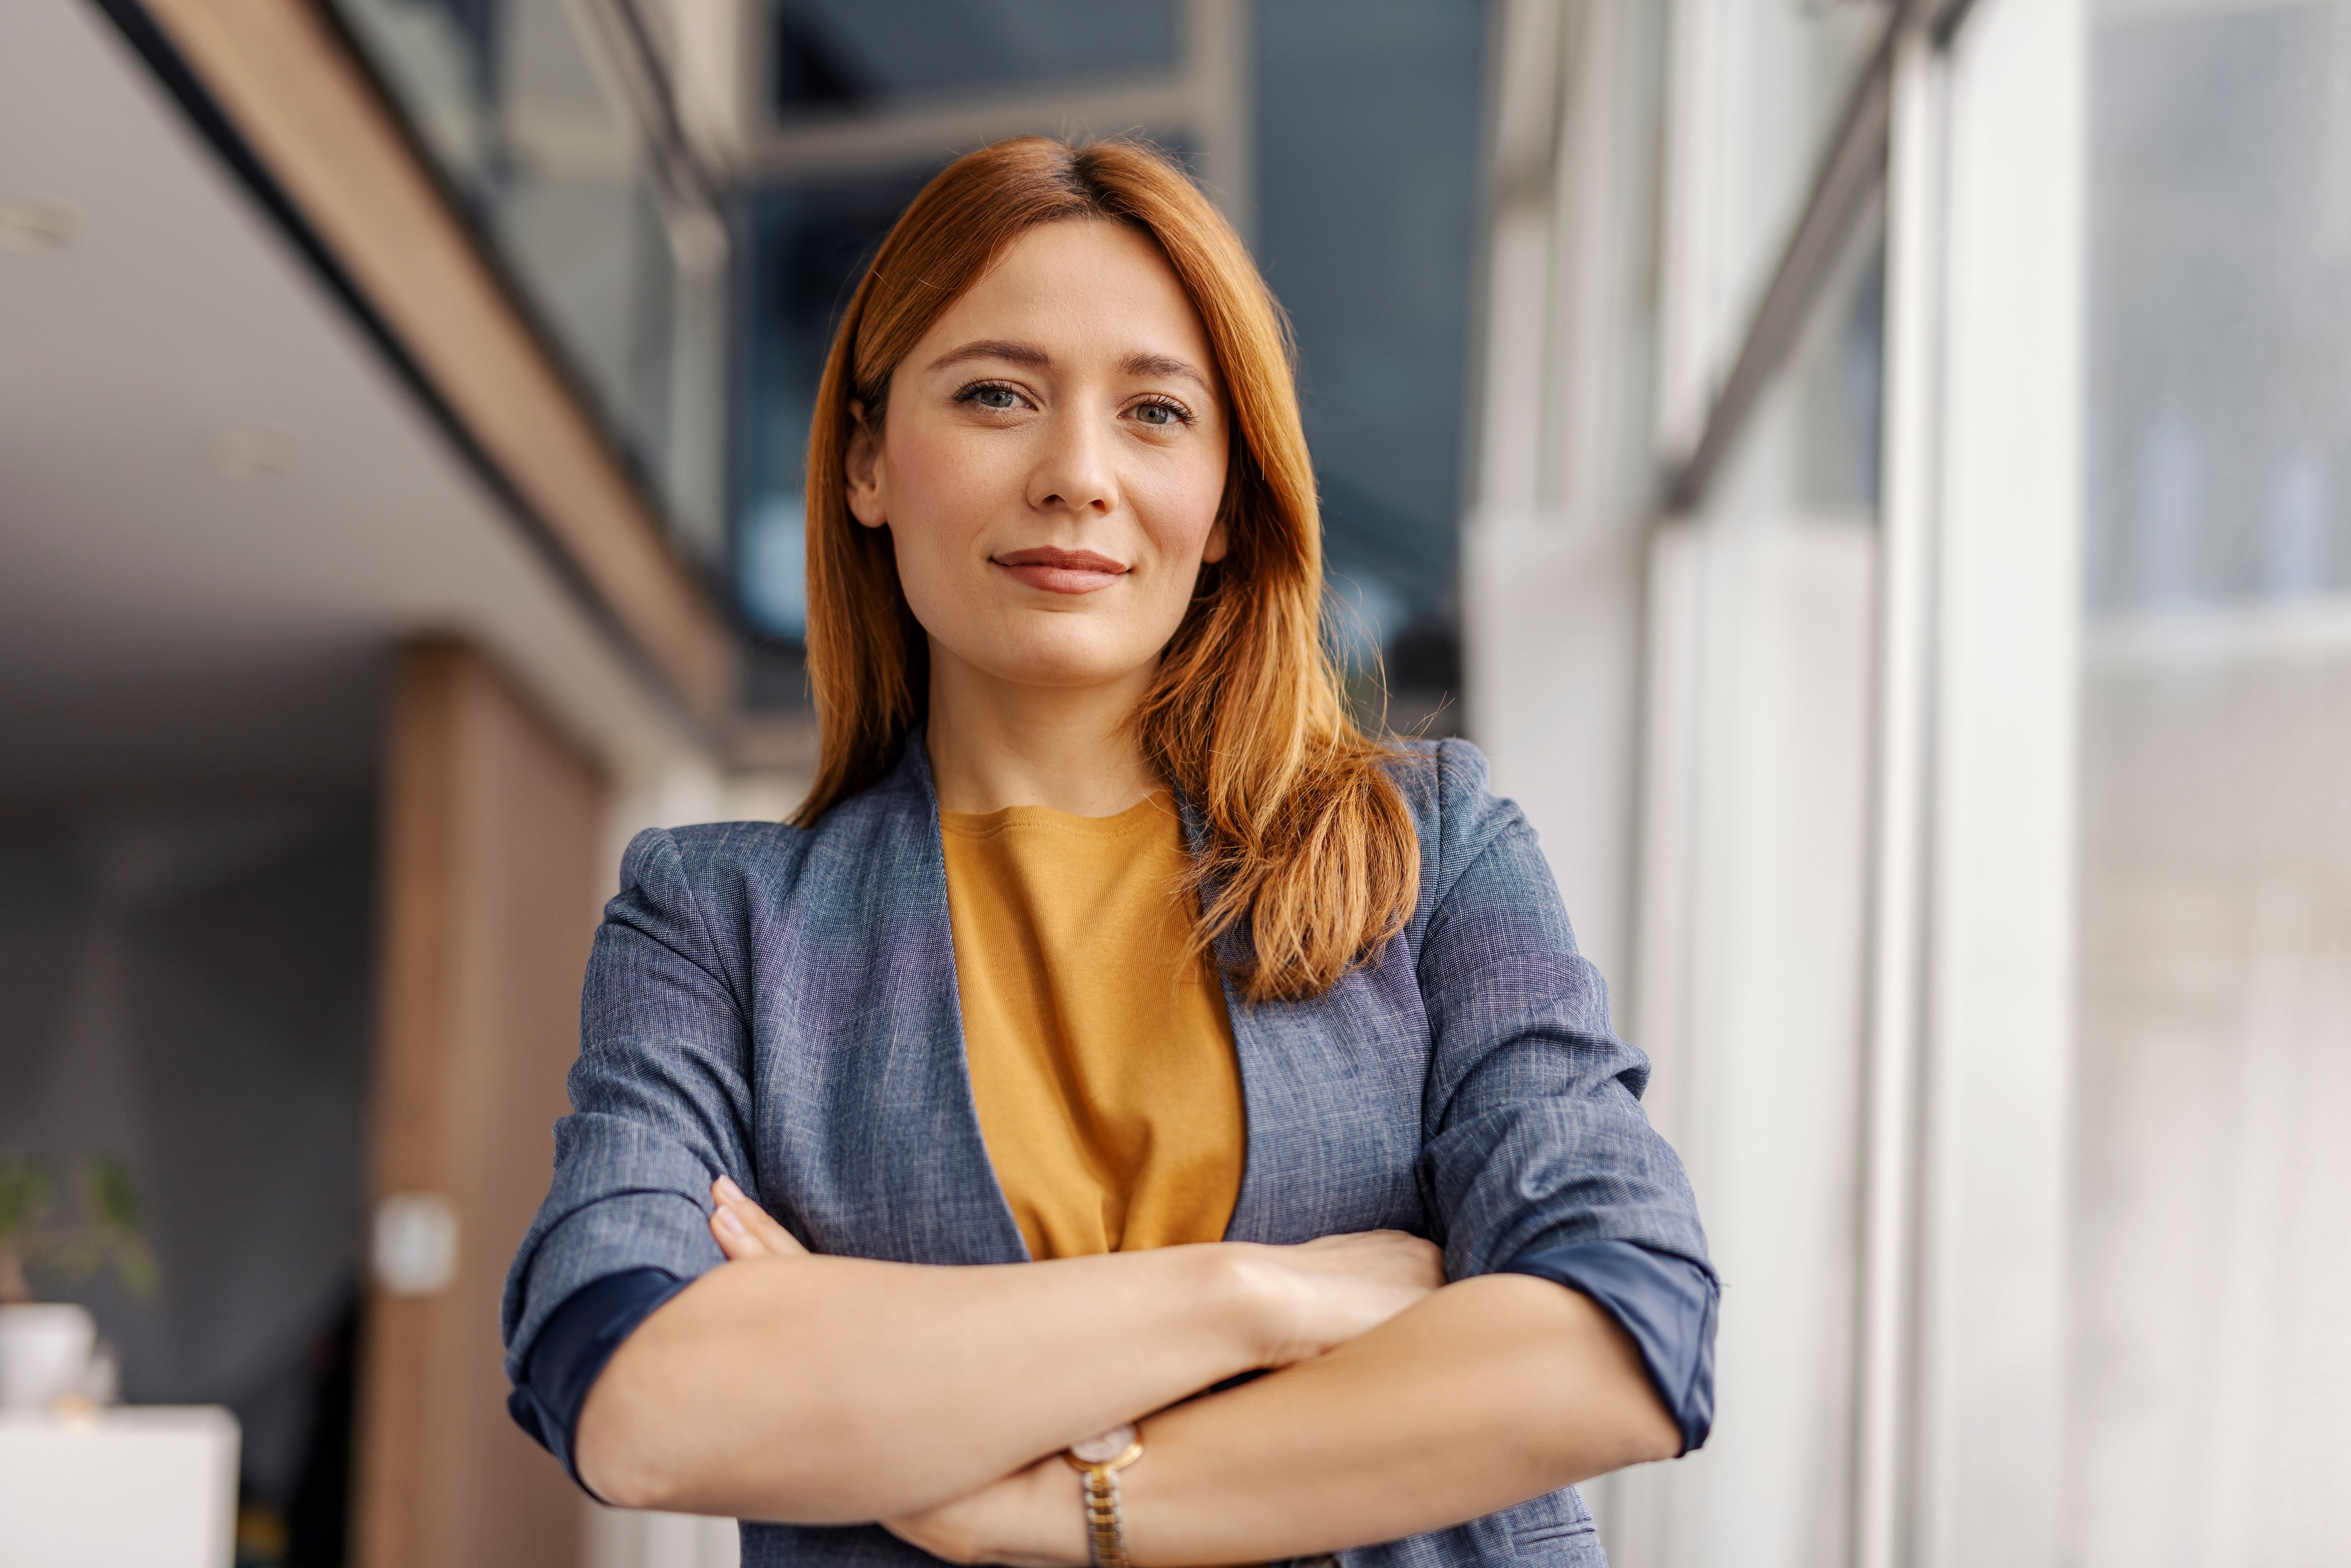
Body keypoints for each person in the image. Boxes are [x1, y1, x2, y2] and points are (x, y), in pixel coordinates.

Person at [502, 136, 1715, 1568]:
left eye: (1154, 411)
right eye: (998, 396)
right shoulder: (714, 921)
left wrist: (1031, 1498)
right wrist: (1262, 1302)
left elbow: (1624, 1330)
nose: (1078, 475)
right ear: (869, 461)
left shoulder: (1427, 849)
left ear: (1225, 505)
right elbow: (639, 1394)